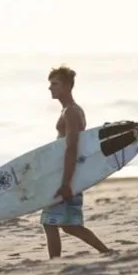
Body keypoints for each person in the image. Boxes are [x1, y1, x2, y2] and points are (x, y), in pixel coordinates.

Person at [41, 65, 112, 259]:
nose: (50, 88)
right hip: (68, 173)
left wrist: (66, 183)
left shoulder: (71, 112)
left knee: (52, 223)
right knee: (67, 225)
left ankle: (55, 262)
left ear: (66, 86)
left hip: (67, 174)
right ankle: (106, 252)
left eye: (55, 84)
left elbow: (72, 148)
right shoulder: (69, 110)